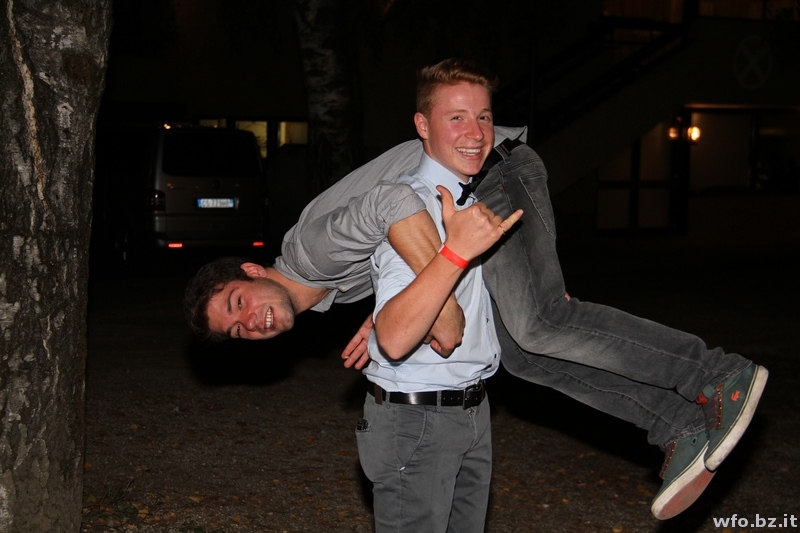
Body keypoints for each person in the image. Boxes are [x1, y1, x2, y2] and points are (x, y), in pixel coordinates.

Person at [184, 59, 768, 521]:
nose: (251, 322)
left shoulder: (309, 251)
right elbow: (390, 241)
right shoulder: (326, 287)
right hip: (468, 189)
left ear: (253, 271)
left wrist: (438, 303)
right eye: (237, 331)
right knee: (523, 354)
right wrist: (390, 305)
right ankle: (676, 424)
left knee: (539, 323)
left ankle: (716, 374)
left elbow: (393, 203)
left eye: (238, 304)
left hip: (491, 173)